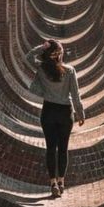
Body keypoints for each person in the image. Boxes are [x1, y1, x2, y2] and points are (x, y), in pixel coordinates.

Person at [26, 39, 85, 198]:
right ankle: (61, 181)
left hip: (49, 111)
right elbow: (75, 94)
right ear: (60, 54)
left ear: (47, 54)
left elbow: (29, 58)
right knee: (63, 149)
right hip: (65, 113)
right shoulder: (70, 70)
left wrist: (41, 47)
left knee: (51, 148)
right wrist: (80, 113)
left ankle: (52, 182)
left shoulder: (42, 69)